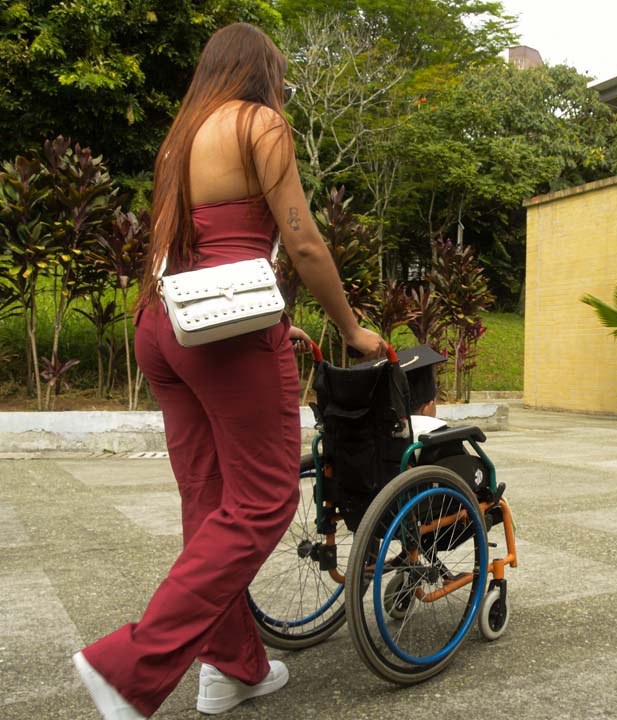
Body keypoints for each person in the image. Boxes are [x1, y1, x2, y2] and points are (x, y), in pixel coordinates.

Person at [71, 23, 385, 720]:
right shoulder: (259, 124)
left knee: (209, 503)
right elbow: (302, 242)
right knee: (265, 499)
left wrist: (272, 318)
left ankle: (232, 667)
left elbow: (197, 248)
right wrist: (351, 328)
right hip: (223, 338)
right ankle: (129, 665)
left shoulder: (180, 136)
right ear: (261, 72)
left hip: (165, 324)